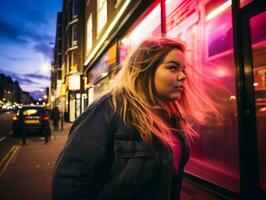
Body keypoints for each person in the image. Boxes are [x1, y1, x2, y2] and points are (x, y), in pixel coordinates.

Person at [52, 37, 220, 200]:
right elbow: (69, 181)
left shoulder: (172, 118)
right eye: (173, 68)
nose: (183, 76)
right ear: (145, 69)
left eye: (183, 69)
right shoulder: (109, 109)